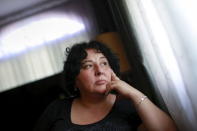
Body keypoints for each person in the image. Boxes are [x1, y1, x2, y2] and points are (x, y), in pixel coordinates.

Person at [34, 41, 177, 131]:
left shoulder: (129, 105)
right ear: (75, 79)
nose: (99, 70)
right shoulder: (57, 109)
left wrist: (134, 93)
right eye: (89, 65)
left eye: (104, 63)